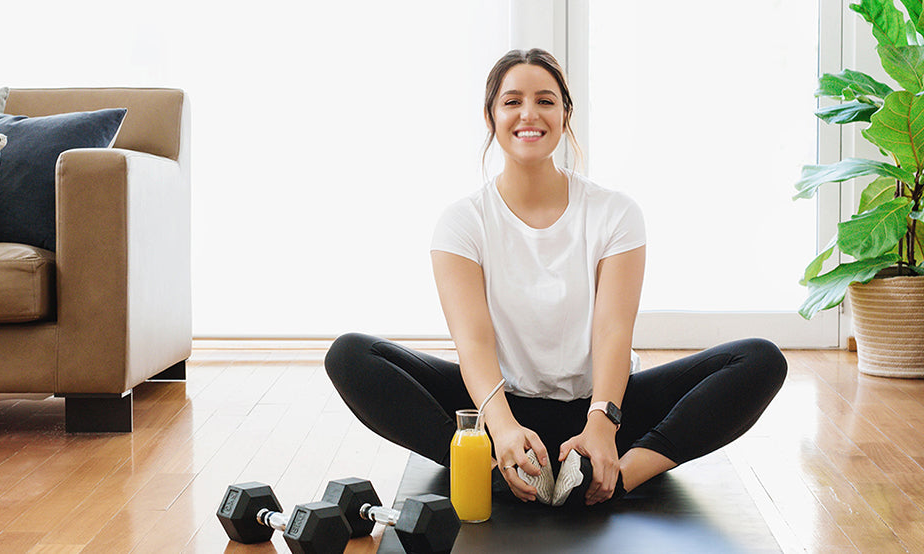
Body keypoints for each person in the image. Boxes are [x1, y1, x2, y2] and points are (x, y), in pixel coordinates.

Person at [324, 48, 787, 508]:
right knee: (350, 355)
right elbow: (474, 342)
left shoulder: (615, 213)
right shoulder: (462, 222)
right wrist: (502, 427)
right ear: (490, 116)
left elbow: (613, 331)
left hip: (602, 408)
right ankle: (492, 467)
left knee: (760, 359)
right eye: (512, 101)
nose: (529, 113)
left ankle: (620, 475)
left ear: (565, 115)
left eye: (545, 101)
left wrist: (602, 424)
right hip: (500, 408)